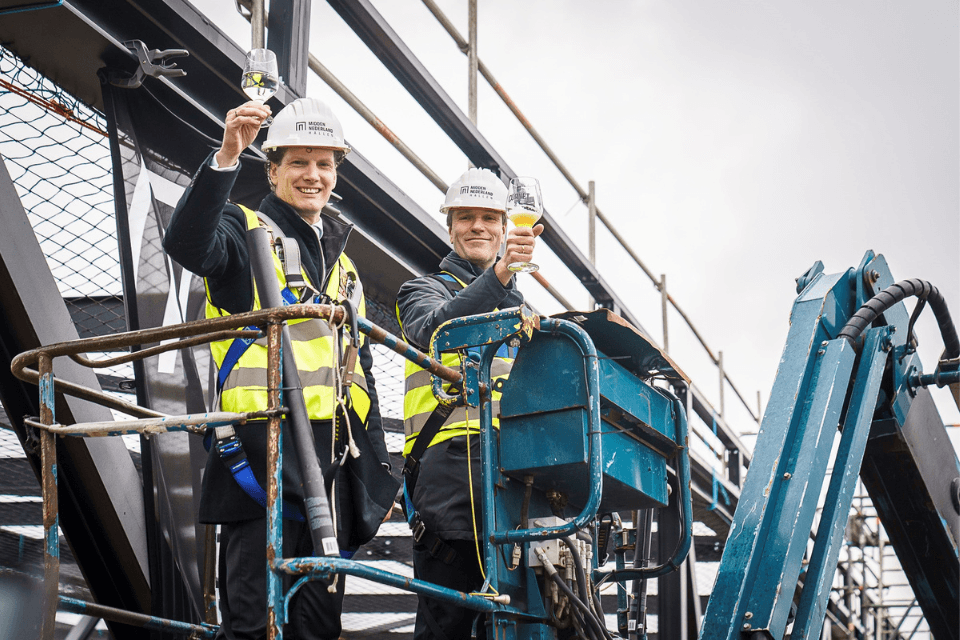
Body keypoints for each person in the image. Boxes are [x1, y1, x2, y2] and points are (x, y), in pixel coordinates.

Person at [163, 97, 394, 640]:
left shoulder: (346, 268)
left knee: (317, 627)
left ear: (337, 174)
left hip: (329, 464)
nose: (312, 175)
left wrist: (378, 477)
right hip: (257, 457)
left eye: (324, 164)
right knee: (253, 622)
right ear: (271, 170)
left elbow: (357, 378)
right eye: (297, 162)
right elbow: (187, 244)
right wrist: (225, 156)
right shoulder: (243, 230)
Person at [395, 168, 544, 640]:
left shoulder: (526, 318)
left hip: (515, 473)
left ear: (504, 228)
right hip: (449, 473)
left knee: (517, 620)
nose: (477, 226)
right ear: (450, 226)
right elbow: (434, 331)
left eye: (488, 218)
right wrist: (501, 276)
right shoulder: (421, 290)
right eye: (466, 217)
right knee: (448, 620)